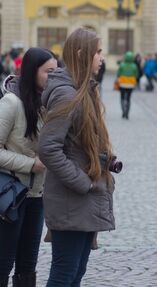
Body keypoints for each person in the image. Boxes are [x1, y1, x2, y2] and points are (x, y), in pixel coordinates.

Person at [38, 27, 115, 287]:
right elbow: (48, 147)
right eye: (98, 52)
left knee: (76, 272)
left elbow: (79, 142)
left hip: (83, 199)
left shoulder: (83, 90)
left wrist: (105, 158)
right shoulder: (66, 94)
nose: (101, 58)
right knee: (64, 274)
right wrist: (82, 182)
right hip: (73, 198)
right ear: (82, 54)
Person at [0, 48, 56, 287]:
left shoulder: (48, 103)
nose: (53, 78)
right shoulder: (11, 103)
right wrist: (30, 164)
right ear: (33, 71)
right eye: (49, 72)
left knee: (28, 265)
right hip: (11, 196)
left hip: (36, 197)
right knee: (3, 262)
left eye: (57, 72)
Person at [117, 51, 138, 119]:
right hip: (131, 84)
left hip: (122, 84)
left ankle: (123, 111)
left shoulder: (122, 65)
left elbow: (118, 74)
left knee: (122, 98)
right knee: (128, 98)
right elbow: (136, 75)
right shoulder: (134, 66)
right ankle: (127, 113)